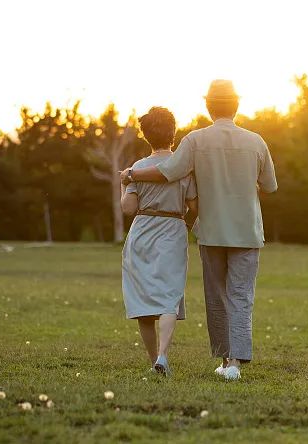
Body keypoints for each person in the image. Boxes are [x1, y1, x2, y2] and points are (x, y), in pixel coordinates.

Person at [121, 79, 278, 380]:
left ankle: (224, 358)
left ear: (208, 106)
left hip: (211, 230)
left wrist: (132, 174)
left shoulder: (194, 141)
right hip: (246, 230)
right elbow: (270, 186)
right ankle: (234, 363)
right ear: (237, 105)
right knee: (240, 295)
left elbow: (168, 171)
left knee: (217, 296)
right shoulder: (256, 141)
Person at [120, 106, 197, 376]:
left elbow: (128, 209)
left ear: (145, 135)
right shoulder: (184, 167)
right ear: (173, 132)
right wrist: (185, 223)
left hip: (142, 230)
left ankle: (154, 359)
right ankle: (163, 355)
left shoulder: (136, 169)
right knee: (168, 294)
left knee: (143, 299)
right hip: (173, 228)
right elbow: (194, 204)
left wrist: (123, 183)